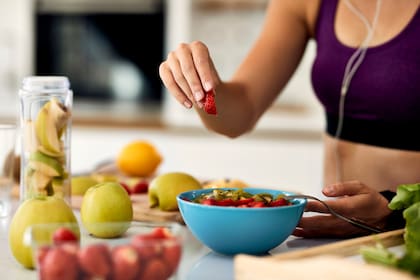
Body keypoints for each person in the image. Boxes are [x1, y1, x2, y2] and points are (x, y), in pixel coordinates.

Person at [159, 0, 420, 237]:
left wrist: (395, 209)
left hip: (410, 234)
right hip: (336, 234)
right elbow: (238, 116)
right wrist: (202, 87)